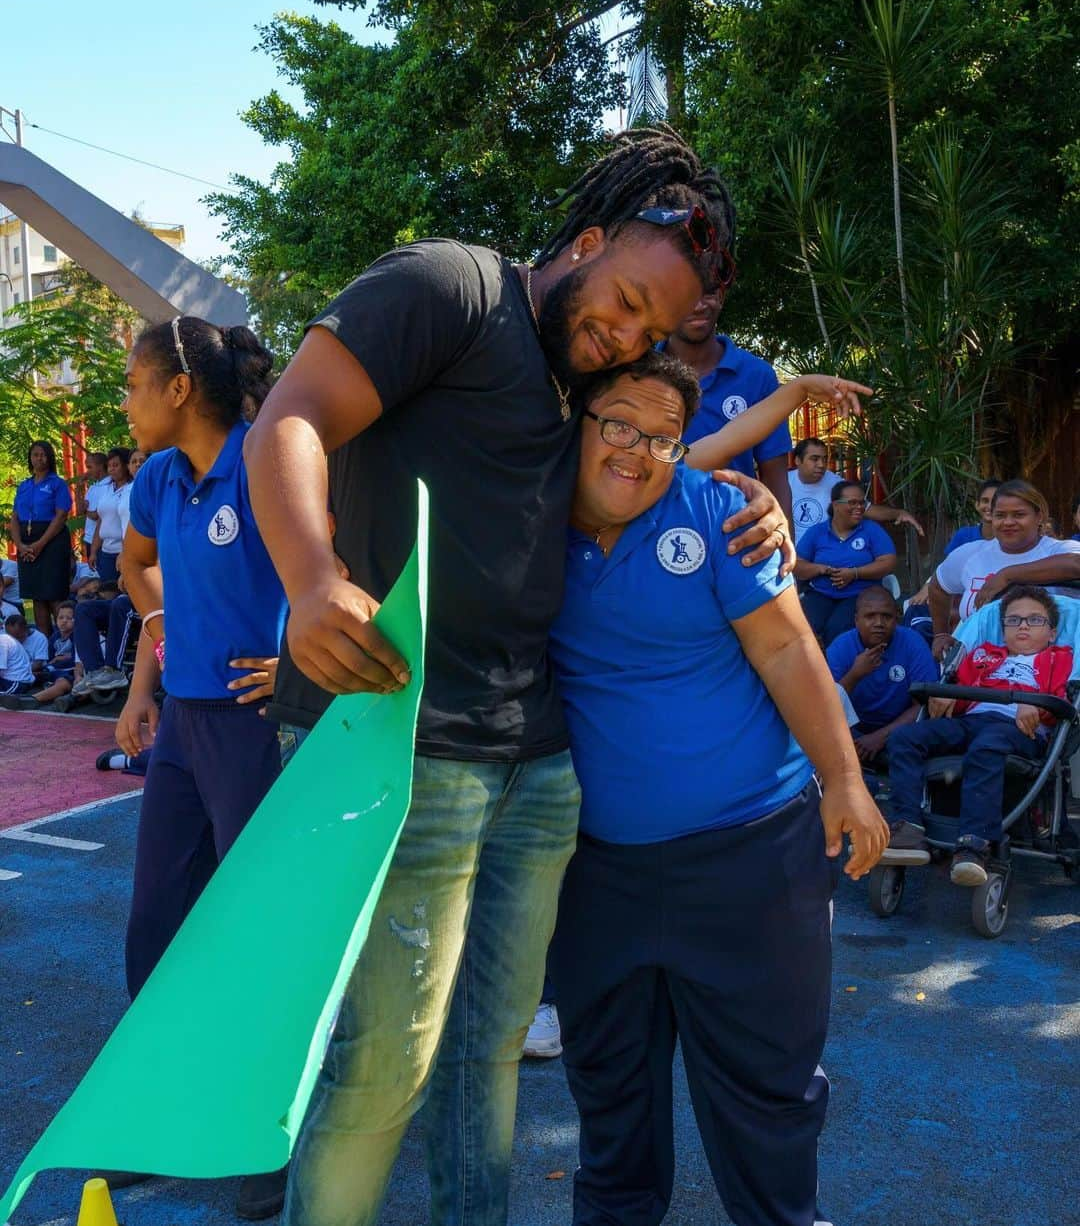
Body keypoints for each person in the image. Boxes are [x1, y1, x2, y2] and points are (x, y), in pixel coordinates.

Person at [244, 126, 794, 1226]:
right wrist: (310, 576)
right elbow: (291, 416)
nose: (623, 331)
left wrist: (751, 503)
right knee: (384, 1060)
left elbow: (646, 474)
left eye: (652, 324)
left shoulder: (582, 383)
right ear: (586, 238)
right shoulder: (450, 287)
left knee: (487, 1055)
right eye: (625, 297)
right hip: (397, 739)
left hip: (534, 765)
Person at [545, 352, 887, 1226]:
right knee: (609, 1093)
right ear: (576, 420)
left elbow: (785, 648)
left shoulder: (722, 512)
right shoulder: (523, 516)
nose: (636, 450)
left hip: (752, 854)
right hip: (592, 870)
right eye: (618, 423)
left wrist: (845, 780)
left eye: (662, 437)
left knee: (767, 1093)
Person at [105, 314, 287, 1220]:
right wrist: (149, 671)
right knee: (156, 923)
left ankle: (265, 1132)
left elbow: (332, 566)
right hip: (182, 725)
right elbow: (142, 568)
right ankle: (167, 1110)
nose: (125, 400)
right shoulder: (157, 480)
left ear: (179, 390)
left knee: (253, 928)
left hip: (259, 726)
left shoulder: (265, 461)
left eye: (134, 384)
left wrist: (298, 656)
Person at [883, 585, 1072, 886]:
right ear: (1004, 629)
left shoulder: (1060, 658)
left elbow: (1062, 702)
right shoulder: (983, 655)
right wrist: (946, 697)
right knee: (905, 737)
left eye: (1034, 620)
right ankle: (907, 826)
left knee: (988, 745)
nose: (1023, 625)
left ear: (1051, 632)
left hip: (1020, 729)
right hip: (972, 720)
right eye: (1014, 620)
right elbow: (961, 692)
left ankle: (975, 842)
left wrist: (1035, 705)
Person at [660, 286, 794, 522]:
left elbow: (775, 475)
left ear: (721, 297)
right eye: (685, 292)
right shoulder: (637, 371)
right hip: (652, 529)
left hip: (732, 534)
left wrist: (786, 549)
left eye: (708, 293)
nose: (698, 305)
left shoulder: (756, 375)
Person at [929, 479, 1080, 658]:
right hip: (975, 673)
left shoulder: (1057, 549)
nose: (1008, 522)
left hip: (1051, 672)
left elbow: (1076, 564)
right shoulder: (970, 554)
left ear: (1039, 517)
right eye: (1000, 515)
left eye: (1019, 514)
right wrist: (940, 634)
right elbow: (938, 587)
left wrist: (1008, 575)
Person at [826, 586, 938, 768]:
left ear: (897, 619)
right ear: (856, 620)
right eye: (870, 616)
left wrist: (881, 737)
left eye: (886, 616)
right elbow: (826, 706)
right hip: (853, 732)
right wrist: (854, 675)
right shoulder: (841, 647)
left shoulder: (912, 643)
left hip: (899, 731)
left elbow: (926, 704)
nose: (879, 623)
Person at [795, 482, 898, 646]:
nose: (859, 507)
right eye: (852, 503)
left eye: (861, 503)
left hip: (860, 595)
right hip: (820, 593)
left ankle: (837, 669)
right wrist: (820, 569)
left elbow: (888, 561)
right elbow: (797, 564)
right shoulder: (817, 532)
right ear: (835, 505)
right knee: (803, 629)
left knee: (838, 629)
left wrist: (855, 573)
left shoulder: (871, 530)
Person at [787, 437, 922, 544]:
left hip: (824, 553)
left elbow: (866, 509)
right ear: (798, 460)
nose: (821, 465)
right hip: (788, 553)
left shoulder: (836, 484)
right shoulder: (784, 482)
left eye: (824, 459)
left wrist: (898, 514)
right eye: (814, 459)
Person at [8, 440, 73, 635]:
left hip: (51, 540)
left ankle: (66, 644)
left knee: (54, 594)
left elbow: (61, 515)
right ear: (30, 458)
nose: (39, 458)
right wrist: (20, 545)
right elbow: (15, 516)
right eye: (35, 454)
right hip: (27, 539)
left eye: (43, 454)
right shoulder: (24, 485)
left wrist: (40, 544)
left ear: (50, 457)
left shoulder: (57, 484)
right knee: (37, 596)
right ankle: (45, 647)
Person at [68, 592, 138, 697]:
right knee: (83, 608)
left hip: (153, 607)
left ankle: (114, 670)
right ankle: (95, 672)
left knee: (121, 603)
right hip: (129, 601)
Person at [87, 447, 132, 584]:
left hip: (124, 550)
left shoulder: (132, 488)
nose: (112, 469)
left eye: (116, 465)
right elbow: (101, 520)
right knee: (107, 592)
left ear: (125, 466)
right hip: (105, 551)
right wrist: (94, 551)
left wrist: (125, 551)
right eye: (110, 466)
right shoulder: (106, 490)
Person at [24, 600, 79, 707]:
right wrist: (53, 662)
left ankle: (32, 700)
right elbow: (49, 657)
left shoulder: (76, 636)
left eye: (69, 618)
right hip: (53, 669)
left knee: (61, 681)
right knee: (35, 674)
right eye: (60, 618)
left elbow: (75, 658)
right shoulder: (55, 637)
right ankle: (16, 692)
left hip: (70, 670)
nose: (64, 621)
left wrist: (58, 661)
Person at [942, 478, 1001, 556]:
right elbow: (948, 565)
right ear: (977, 505)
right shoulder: (963, 535)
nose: (990, 506)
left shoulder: (1010, 538)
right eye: (985, 501)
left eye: (995, 501)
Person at [77, 452, 109, 563]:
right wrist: (79, 489)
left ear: (100, 466)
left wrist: (87, 511)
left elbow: (97, 515)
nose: (87, 471)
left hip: (101, 541)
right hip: (89, 538)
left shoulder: (109, 486)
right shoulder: (93, 486)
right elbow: (80, 510)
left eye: (90, 467)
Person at [4, 611, 50, 675]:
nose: (13, 639)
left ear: (26, 629)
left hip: (33, 672)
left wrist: (17, 672)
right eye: (10, 636)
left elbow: (38, 664)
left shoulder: (39, 638)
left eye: (16, 636)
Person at [0, 624, 36, 700]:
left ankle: (26, 701)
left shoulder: (2, 641)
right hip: (8, 679)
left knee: (3, 697)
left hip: (16, 682)